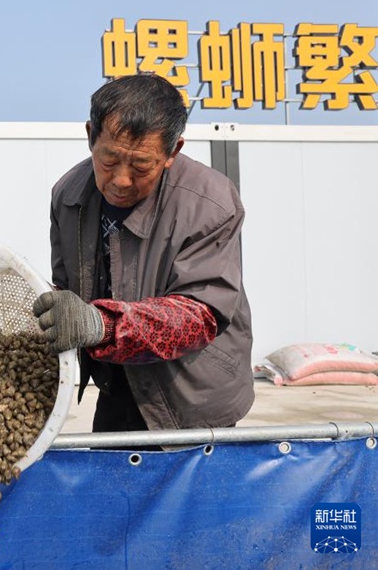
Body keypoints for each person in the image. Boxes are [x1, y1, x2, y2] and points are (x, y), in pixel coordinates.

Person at [33, 73, 254, 433]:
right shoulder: (69, 195)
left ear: (172, 152)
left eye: (140, 166)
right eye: (109, 160)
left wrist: (99, 324)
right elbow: (67, 288)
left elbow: (199, 316)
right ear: (90, 136)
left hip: (192, 394)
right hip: (116, 383)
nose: (121, 180)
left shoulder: (210, 203)